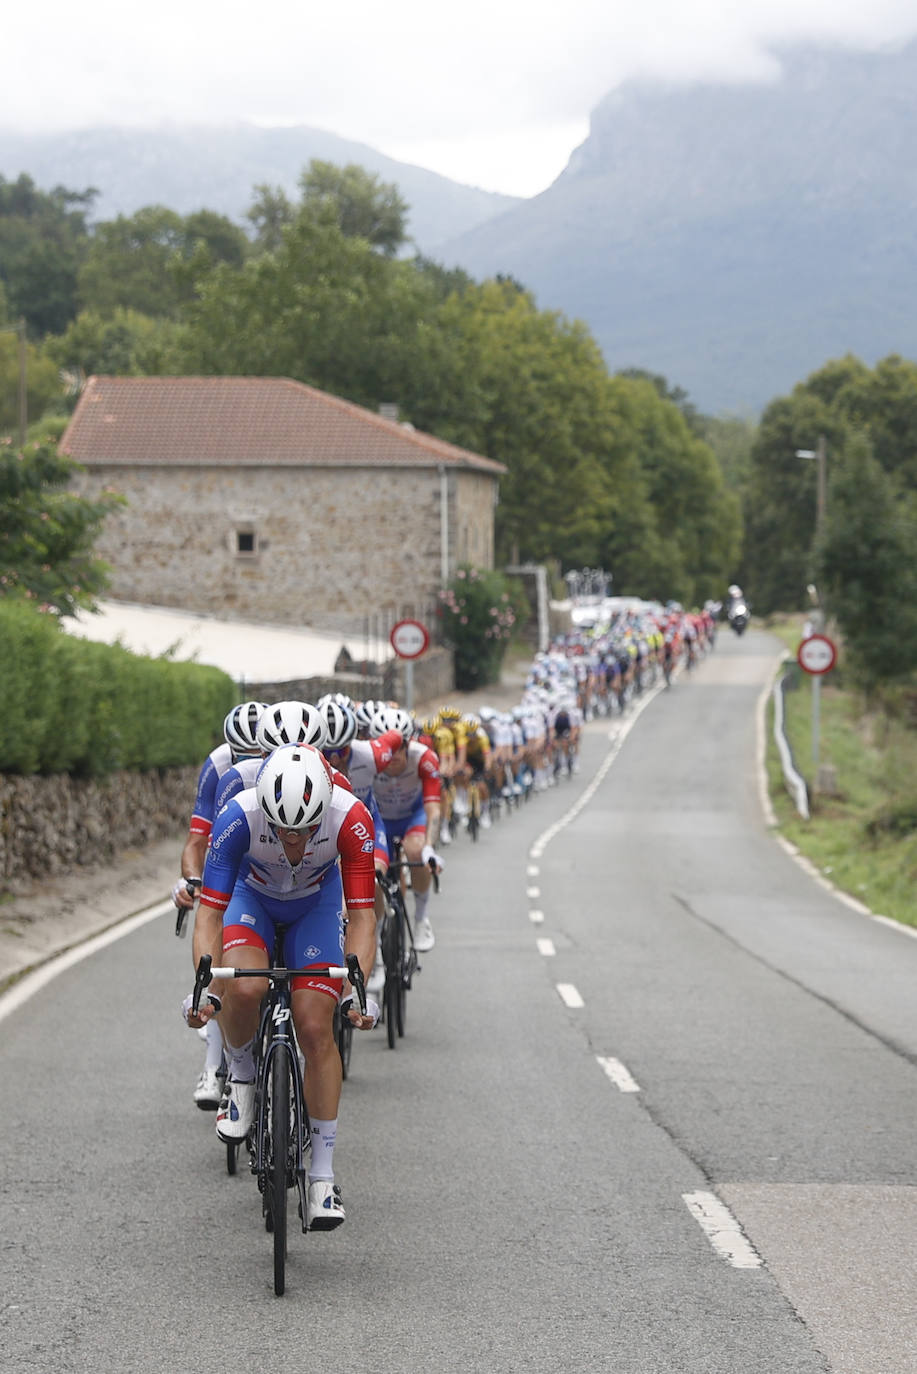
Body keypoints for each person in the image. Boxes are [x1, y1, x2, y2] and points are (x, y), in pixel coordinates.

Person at [184, 743, 378, 1231]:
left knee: (316, 1026)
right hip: (253, 898)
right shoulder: (239, 817)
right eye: (283, 830)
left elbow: (362, 917)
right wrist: (206, 986)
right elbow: (208, 915)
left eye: (306, 830)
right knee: (243, 987)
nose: (294, 841)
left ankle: (321, 1178)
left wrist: (357, 986)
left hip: (315, 904)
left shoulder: (350, 817)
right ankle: (244, 1077)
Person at [173, 699, 267, 1109]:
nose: (246, 765)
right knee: (223, 967)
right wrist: (192, 880)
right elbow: (198, 841)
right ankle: (214, 1066)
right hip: (234, 867)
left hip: (274, 868)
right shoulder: (217, 767)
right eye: (239, 756)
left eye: (256, 756)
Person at [370, 706, 444, 952]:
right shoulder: (366, 760)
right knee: (374, 871)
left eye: (400, 747)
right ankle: (378, 936)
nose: (394, 755)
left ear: (408, 744)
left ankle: (421, 917)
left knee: (415, 852)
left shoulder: (424, 758)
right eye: (387, 748)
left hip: (413, 816)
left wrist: (429, 848)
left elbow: (433, 808)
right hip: (380, 820)